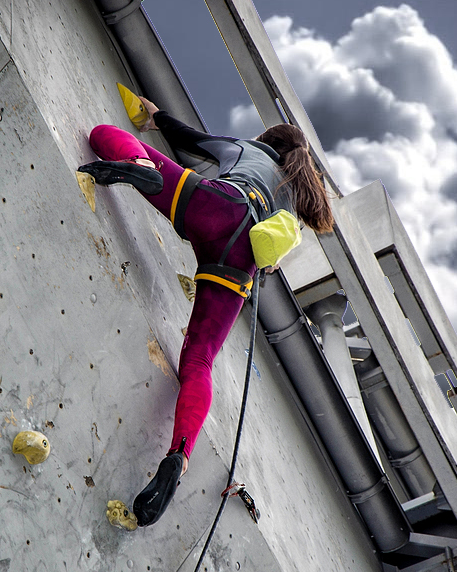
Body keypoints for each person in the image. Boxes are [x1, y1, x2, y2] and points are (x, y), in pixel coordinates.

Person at [79, 97, 334, 526]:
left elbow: (190, 138)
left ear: (268, 141)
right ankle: (178, 456)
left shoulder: (250, 150)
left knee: (105, 135)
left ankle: (141, 169)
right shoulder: (295, 202)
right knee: (199, 360)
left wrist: (155, 116)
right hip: (239, 264)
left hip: (216, 205)